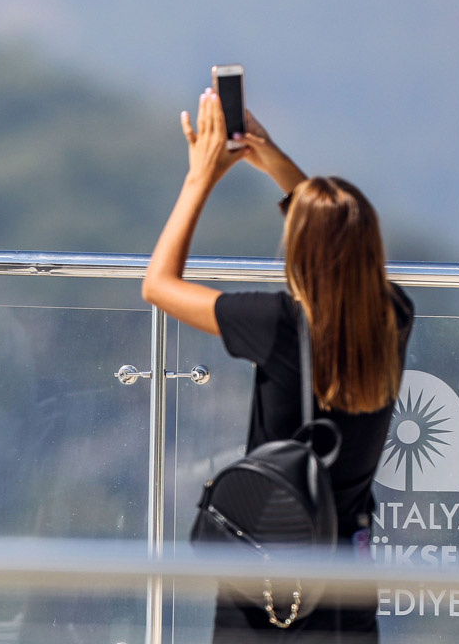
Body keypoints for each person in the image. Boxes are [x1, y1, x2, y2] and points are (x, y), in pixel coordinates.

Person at [141, 87, 414, 641]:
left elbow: (158, 284)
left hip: (268, 561)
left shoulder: (277, 324)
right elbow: (335, 235)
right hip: (345, 568)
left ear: (298, 250)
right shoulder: (392, 317)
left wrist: (201, 178)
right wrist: (275, 160)